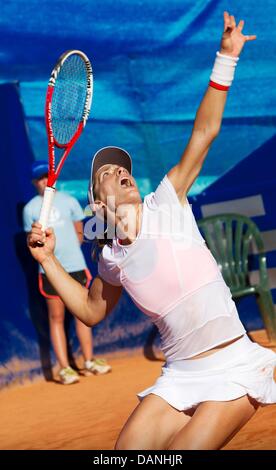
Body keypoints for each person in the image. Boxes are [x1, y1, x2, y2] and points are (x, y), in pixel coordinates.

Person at [27, 12, 276, 449]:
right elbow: (89, 312)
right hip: (178, 377)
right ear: (98, 200)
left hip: (235, 365)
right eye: (108, 172)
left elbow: (205, 132)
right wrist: (47, 259)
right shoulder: (110, 258)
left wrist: (226, 58)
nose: (121, 173)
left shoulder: (167, 202)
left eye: (124, 169)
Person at [23, 161, 111, 384]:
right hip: (48, 271)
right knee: (57, 318)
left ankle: (89, 361)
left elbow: (79, 232)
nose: (45, 181)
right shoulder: (30, 209)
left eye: (48, 177)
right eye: (40, 178)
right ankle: (64, 369)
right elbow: (30, 240)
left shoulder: (70, 201)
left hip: (75, 266)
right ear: (35, 182)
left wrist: (69, 251)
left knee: (84, 313)